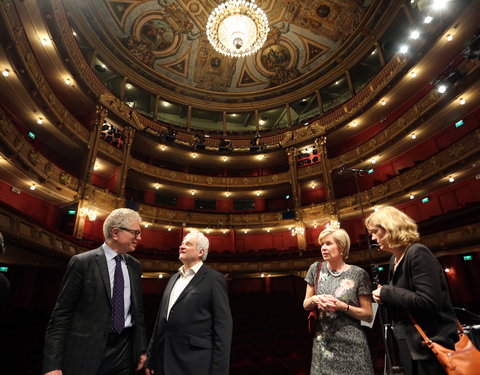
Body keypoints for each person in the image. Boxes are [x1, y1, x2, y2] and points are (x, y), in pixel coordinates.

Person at [43, 208, 147, 375]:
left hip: (125, 351)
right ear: (115, 233)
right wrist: (52, 365)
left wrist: (141, 349)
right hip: (87, 352)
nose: (139, 238)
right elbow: (61, 316)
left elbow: (138, 312)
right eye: (135, 233)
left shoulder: (135, 266)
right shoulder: (82, 263)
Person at [366, 206, 458, 375]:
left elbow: (427, 301)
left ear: (389, 228)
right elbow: (401, 298)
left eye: (375, 231)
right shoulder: (394, 258)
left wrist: (387, 292)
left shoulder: (417, 253)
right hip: (409, 342)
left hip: (431, 343)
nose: (372, 237)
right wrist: (384, 297)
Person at [145, 230, 232, 375]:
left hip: (195, 363)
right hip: (164, 361)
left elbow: (223, 328)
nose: (181, 246)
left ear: (200, 252)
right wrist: (151, 356)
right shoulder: (173, 278)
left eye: (188, 244)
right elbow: (161, 322)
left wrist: (219, 371)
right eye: (182, 243)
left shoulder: (213, 279)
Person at [303, 227, 374, 375]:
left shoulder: (359, 274)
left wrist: (343, 306)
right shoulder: (315, 269)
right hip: (323, 342)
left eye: (328, 243)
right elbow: (306, 304)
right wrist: (316, 299)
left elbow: (368, 315)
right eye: (322, 244)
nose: (323, 248)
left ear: (341, 247)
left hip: (353, 342)